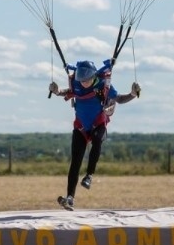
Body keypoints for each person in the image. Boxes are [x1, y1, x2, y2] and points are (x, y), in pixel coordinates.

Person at [48, 60, 140, 211]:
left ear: (93, 76)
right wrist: (57, 91)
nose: (84, 82)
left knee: (97, 140)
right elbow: (66, 92)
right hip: (81, 127)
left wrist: (133, 94)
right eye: (81, 80)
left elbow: (120, 99)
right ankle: (70, 197)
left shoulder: (103, 86)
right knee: (75, 162)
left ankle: (89, 176)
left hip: (98, 123)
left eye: (87, 79)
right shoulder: (76, 84)